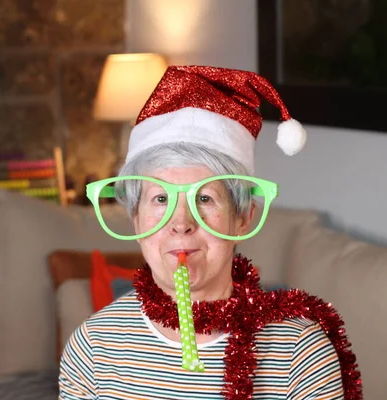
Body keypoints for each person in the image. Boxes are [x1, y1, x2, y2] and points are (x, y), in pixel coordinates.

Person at [59, 66, 362, 399]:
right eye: (160, 198)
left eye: (204, 198)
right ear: (135, 218)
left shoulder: (301, 355)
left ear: (243, 217)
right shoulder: (92, 349)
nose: (181, 222)